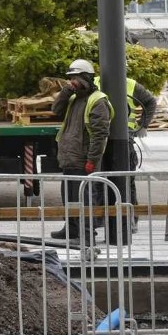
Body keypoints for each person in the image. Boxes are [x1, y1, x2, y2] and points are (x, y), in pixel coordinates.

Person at [50, 59, 114, 244]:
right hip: (69, 158)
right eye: (70, 78)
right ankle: (71, 229)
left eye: (75, 78)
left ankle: (87, 235)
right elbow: (56, 109)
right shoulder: (73, 98)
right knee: (69, 197)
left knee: (85, 199)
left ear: (86, 78)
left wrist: (92, 160)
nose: (72, 82)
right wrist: (66, 90)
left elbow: (100, 134)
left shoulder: (97, 101)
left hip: (82, 160)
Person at [94, 74, 157, 230]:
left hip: (123, 138)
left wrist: (143, 125)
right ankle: (103, 217)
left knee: (126, 180)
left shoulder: (130, 84)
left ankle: (130, 218)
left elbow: (150, 102)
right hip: (102, 137)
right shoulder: (94, 82)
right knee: (100, 181)